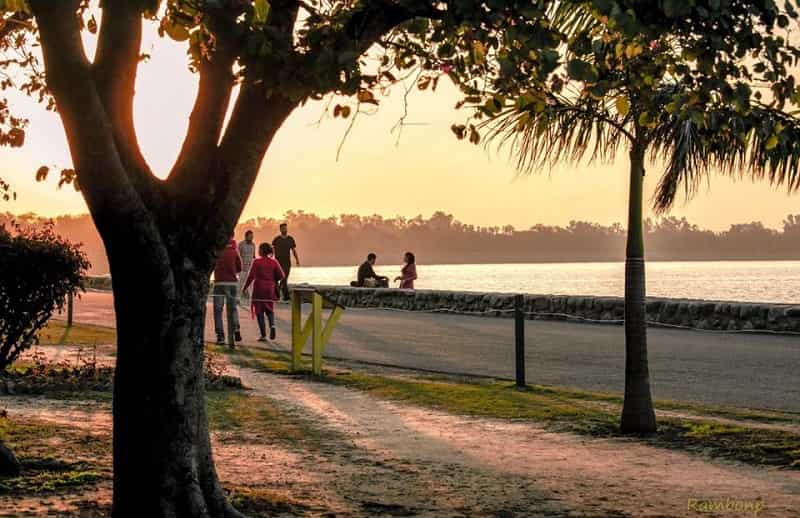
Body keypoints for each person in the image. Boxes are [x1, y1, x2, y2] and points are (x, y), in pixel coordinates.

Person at [243, 243, 285, 342]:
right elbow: (281, 275)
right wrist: (273, 280)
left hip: (259, 288)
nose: (258, 251)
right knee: (270, 309)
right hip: (270, 288)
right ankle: (273, 326)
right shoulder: (274, 262)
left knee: (260, 312)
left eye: (259, 249)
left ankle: (263, 335)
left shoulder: (256, 262)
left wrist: (244, 288)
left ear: (262, 250)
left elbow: (251, 276)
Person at [213, 238, 242, 345]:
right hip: (232, 283)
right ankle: (236, 329)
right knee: (233, 308)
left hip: (219, 283)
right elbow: (240, 268)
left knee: (218, 310)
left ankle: (220, 336)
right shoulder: (235, 251)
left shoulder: (217, 251)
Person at [272, 223, 299, 301]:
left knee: (284, 279)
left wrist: (297, 260)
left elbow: (293, 250)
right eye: (283, 228)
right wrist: (271, 259)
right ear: (280, 230)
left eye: (285, 228)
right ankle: (281, 296)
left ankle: (283, 296)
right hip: (277, 262)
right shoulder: (276, 239)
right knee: (276, 279)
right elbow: (272, 250)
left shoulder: (290, 239)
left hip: (287, 263)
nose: (284, 230)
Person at [238, 230, 256, 304]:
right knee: (240, 284)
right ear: (246, 236)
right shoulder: (241, 244)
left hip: (250, 268)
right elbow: (238, 256)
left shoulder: (253, 245)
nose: (251, 237)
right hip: (242, 268)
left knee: (251, 285)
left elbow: (253, 256)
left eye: (252, 236)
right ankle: (237, 298)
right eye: (250, 236)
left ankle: (252, 300)